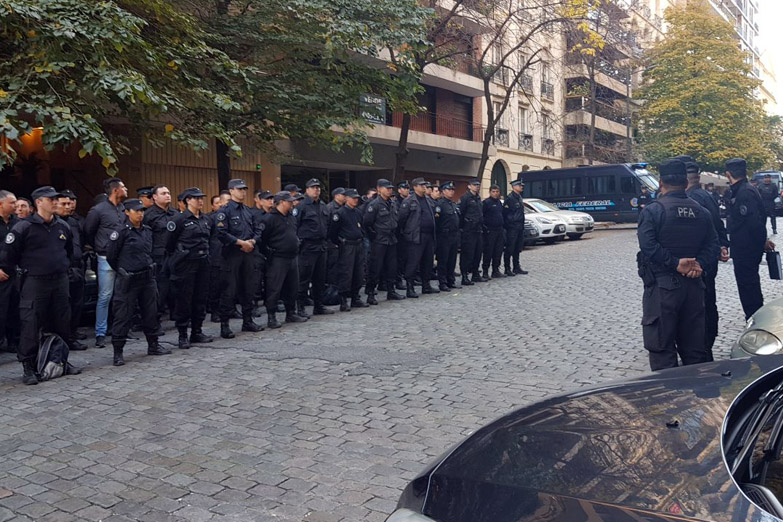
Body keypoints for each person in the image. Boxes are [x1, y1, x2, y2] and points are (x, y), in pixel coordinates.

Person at [636, 159, 719, 371]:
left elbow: (648, 246)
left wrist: (675, 264)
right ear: (685, 183)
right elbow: (713, 245)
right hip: (694, 286)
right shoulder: (702, 211)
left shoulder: (653, 211)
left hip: (663, 289)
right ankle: (697, 396)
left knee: (662, 349)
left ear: (661, 182)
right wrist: (698, 264)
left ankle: (669, 399)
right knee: (695, 349)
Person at [0, 186, 82, 384]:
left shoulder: (62, 226)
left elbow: (69, 252)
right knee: (31, 324)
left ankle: (61, 360)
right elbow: (9, 256)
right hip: (35, 282)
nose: (55, 202)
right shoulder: (24, 227)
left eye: (56, 199)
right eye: (51, 199)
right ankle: (28, 366)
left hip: (60, 280)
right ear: (38, 202)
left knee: (62, 321)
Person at [106, 199, 171, 366]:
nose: (140, 214)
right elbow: (111, 256)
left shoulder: (147, 231)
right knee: (123, 314)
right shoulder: (120, 232)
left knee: (151, 312)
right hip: (128, 279)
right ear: (127, 212)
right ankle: (118, 352)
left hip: (147, 278)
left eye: (142, 211)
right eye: (136, 211)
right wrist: (123, 270)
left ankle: (153, 344)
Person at [681, 156, 729, 360]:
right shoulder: (707, 195)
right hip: (709, 258)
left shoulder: (691, 199)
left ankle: (701, 345)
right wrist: (723, 245)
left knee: (698, 305)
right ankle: (708, 337)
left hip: (697, 261)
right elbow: (718, 224)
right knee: (709, 301)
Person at [725, 158, 774, 320]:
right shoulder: (745, 190)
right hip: (745, 247)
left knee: (748, 286)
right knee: (748, 284)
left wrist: (762, 242)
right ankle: (753, 316)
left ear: (728, 174)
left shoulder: (744, 192)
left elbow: (754, 222)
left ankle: (754, 318)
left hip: (746, 248)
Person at [215, 179, 263, 338]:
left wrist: (253, 241)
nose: (243, 191)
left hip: (248, 254)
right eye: (240, 189)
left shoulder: (247, 211)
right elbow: (221, 233)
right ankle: (225, 325)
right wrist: (240, 242)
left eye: (244, 189)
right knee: (229, 290)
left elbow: (257, 229)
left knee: (248, 288)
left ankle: (248, 321)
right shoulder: (225, 211)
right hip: (232, 255)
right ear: (231, 191)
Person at [83, 177, 128, 348]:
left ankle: (120, 329)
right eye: (123, 187)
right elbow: (88, 231)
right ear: (115, 190)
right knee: (105, 296)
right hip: (105, 258)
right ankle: (100, 333)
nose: (126, 189)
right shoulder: (98, 210)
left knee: (122, 295)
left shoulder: (123, 209)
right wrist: (99, 246)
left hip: (123, 257)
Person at [167, 188, 214, 349]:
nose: (200, 201)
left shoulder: (206, 219)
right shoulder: (179, 220)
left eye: (201, 198)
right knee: (184, 299)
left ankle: (197, 331)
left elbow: (210, 238)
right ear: (187, 200)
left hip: (203, 262)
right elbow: (169, 243)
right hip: (186, 264)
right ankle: (182, 335)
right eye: (195, 198)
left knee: (200, 298)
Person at [261, 192, 306, 328]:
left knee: (293, 287)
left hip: (292, 256)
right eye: (289, 201)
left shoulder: (291, 217)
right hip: (277, 258)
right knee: (274, 288)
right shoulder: (269, 219)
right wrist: (269, 253)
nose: (292, 203)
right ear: (281, 202)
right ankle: (271, 316)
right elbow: (262, 239)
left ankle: (290, 313)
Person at [295, 178, 335, 317]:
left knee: (320, 278)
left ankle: (319, 305)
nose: (316, 190)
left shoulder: (323, 206)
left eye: (318, 187)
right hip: (307, 246)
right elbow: (295, 225)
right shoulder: (301, 206)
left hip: (321, 246)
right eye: (313, 187)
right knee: (304, 278)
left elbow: (328, 224)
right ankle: (300, 307)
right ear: (307, 190)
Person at [364, 179, 405, 305]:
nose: (389, 190)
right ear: (379, 189)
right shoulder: (374, 204)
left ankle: (391, 290)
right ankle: (370, 293)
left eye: (390, 188)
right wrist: (374, 237)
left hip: (391, 239)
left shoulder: (392, 203)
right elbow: (367, 223)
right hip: (379, 240)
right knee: (375, 268)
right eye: (386, 188)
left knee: (392, 267)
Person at [56, 190, 87, 350]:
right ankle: (63, 338)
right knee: (63, 307)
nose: (68, 207)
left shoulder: (74, 222)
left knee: (77, 304)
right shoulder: (54, 224)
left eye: (69, 203)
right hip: (63, 270)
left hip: (77, 266)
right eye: (64, 204)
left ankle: (72, 334)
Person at [398, 178, 439, 298]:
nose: (424, 187)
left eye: (425, 185)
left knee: (428, 261)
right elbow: (402, 219)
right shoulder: (409, 201)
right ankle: (410, 287)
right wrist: (407, 233)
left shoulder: (428, 200)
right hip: (415, 236)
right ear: (415, 187)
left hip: (429, 236)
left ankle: (426, 285)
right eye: (421, 185)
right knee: (413, 262)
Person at [329, 189, 367, 311]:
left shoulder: (357, 212)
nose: (356, 200)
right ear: (346, 198)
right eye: (353, 197)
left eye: (357, 197)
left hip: (358, 245)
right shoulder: (340, 213)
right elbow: (332, 232)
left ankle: (355, 297)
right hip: (347, 246)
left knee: (359, 272)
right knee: (346, 273)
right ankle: (343, 300)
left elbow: (362, 227)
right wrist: (340, 242)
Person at [0, 190, 20, 353]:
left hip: (15, 272)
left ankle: (13, 341)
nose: (15, 206)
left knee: (15, 308)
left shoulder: (18, 222)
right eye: (12, 203)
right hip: (1, 272)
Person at [459, 178, 485, 285]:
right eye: (474, 185)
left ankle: (475, 274)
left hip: (478, 229)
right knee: (467, 254)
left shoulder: (478, 198)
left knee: (477, 253)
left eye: (478, 185)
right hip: (468, 230)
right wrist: (464, 227)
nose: (477, 186)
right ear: (469, 186)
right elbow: (461, 213)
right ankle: (464, 276)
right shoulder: (465, 198)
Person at [434, 182, 460, 291]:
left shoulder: (453, 204)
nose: (451, 191)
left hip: (454, 235)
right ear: (443, 191)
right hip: (443, 236)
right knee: (443, 260)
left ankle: (450, 280)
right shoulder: (439, 205)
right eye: (449, 190)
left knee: (452, 260)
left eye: (452, 190)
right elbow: (436, 222)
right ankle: (442, 282)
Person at [503, 179, 527, 276]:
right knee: (510, 248)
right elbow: (505, 214)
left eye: (521, 185)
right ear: (514, 187)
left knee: (517, 248)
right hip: (512, 227)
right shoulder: (510, 198)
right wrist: (510, 225)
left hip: (519, 226)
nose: (521, 187)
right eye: (519, 185)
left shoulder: (519, 197)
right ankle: (507, 268)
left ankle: (516, 267)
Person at [481, 185, 505, 279]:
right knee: (488, 252)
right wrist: (485, 228)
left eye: (497, 192)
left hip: (499, 230)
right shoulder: (486, 203)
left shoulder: (499, 202)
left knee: (498, 251)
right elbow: (482, 216)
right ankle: (485, 272)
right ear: (490, 192)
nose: (495, 193)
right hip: (490, 231)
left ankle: (496, 270)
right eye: (493, 192)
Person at [395, 181, 410, 290]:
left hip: (408, 233)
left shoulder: (410, 201)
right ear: (399, 190)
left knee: (406, 258)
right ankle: (398, 280)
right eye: (404, 188)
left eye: (407, 188)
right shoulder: (396, 202)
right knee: (398, 259)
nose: (406, 190)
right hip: (399, 234)